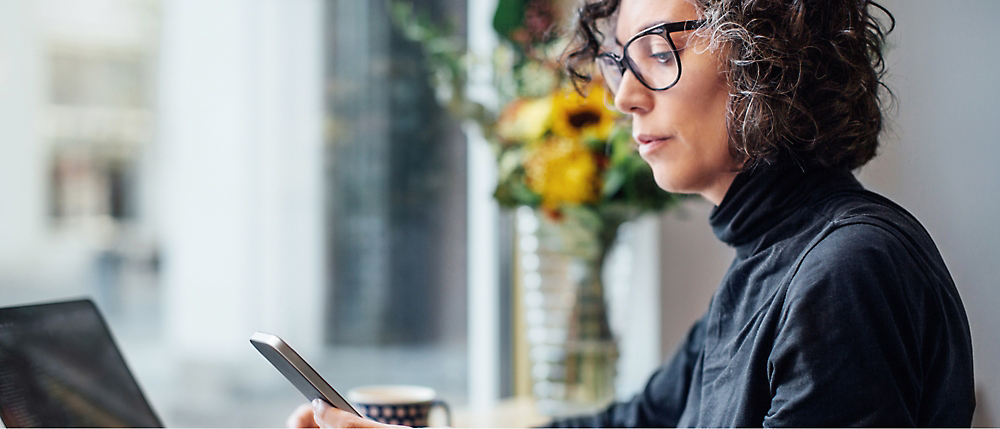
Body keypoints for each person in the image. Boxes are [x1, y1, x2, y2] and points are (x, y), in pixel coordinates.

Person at [287, 0, 976, 426]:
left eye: (656, 49)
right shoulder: (772, 263)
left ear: (765, 51)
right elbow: (639, 420)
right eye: (621, 60)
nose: (623, 98)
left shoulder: (845, 270)